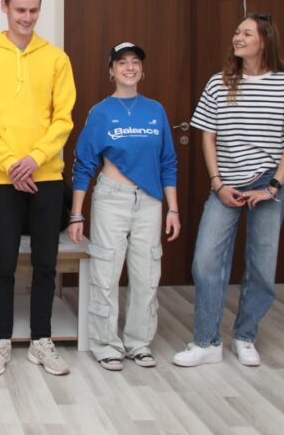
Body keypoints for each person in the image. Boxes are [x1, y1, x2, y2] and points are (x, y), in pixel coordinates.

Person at [173, 12, 284, 368]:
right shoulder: (218, 83)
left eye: (247, 33)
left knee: (262, 267)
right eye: (237, 32)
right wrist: (217, 183)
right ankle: (206, 341)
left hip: (267, 184)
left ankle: (245, 335)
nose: (238, 37)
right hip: (225, 185)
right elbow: (207, 136)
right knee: (206, 262)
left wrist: (272, 187)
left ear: (264, 41)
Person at [0, 0, 76, 377]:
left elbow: (63, 119)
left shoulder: (56, 59)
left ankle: (41, 340)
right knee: (5, 263)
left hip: (46, 176)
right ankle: (0, 340)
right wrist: (11, 164)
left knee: (46, 263)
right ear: (5, 7)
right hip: (2, 179)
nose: (27, 18)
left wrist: (34, 160)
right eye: (20, 10)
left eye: (33, 10)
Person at [67, 42, 180, 371]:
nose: (129, 67)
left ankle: (138, 342)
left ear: (142, 70)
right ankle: (105, 344)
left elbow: (168, 163)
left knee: (147, 274)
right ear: (111, 71)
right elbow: (83, 164)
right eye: (122, 63)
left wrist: (173, 209)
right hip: (111, 199)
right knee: (106, 273)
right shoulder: (101, 112)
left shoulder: (155, 110)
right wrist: (77, 214)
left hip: (150, 201)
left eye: (135, 62)